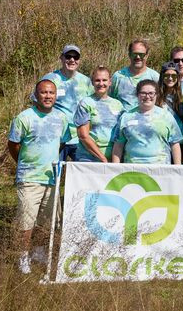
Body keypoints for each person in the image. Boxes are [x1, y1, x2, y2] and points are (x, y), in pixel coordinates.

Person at [7, 79, 69, 274]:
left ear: (55, 95)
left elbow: (61, 143)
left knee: (47, 220)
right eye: (43, 92)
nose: (48, 96)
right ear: (36, 95)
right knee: (26, 220)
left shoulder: (61, 118)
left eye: (51, 93)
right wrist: (26, 164)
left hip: (51, 178)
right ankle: (23, 256)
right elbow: (13, 145)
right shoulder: (24, 118)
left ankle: (39, 251)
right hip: (29, 178)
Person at [39, 44, 93, 161]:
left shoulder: (86, 81)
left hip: (80, 138)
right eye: (68, 56)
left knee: (82, 174)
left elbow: (93, 106)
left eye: (76, 57)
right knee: (53, 174)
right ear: (61, 58)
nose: (72, 60)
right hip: (56, 137)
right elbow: (37, 103)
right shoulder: (50, 79)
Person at [111, 80, 183, 165]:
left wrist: (178, 168)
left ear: (156, 95)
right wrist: (115, 168)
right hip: (132, 169)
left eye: (151, 93)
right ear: (137, 95)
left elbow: (175, 144)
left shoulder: (166, 116)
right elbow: (118, 145)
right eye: (143, 93)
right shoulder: (126, 117)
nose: (147, 96)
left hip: (161, 169)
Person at [74, 66, 124, 163]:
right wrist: (103, 159)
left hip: (113, 160)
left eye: (104, 80)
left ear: (110, 82)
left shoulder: (118, 105)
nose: (101, 84)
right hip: (89, 159)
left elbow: (120, 136)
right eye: (97, 80)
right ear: (92, 82)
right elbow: (83, 136)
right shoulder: (85, 103)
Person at [109, 38, 160, 110]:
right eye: (134, 54)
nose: (138, 57)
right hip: (123, 120)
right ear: (129, 55)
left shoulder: (155, 77)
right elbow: (110, 101)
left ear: (147, 55)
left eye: (141, 54)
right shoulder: (118, 77)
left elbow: (160, 102)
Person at [157, 62, 183, 132]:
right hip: (161, 135)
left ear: (178, 77)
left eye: (173, 76)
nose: (170, 78)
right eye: (167, 75)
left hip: (180, 137)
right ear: (162, 77)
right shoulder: (155, 96)